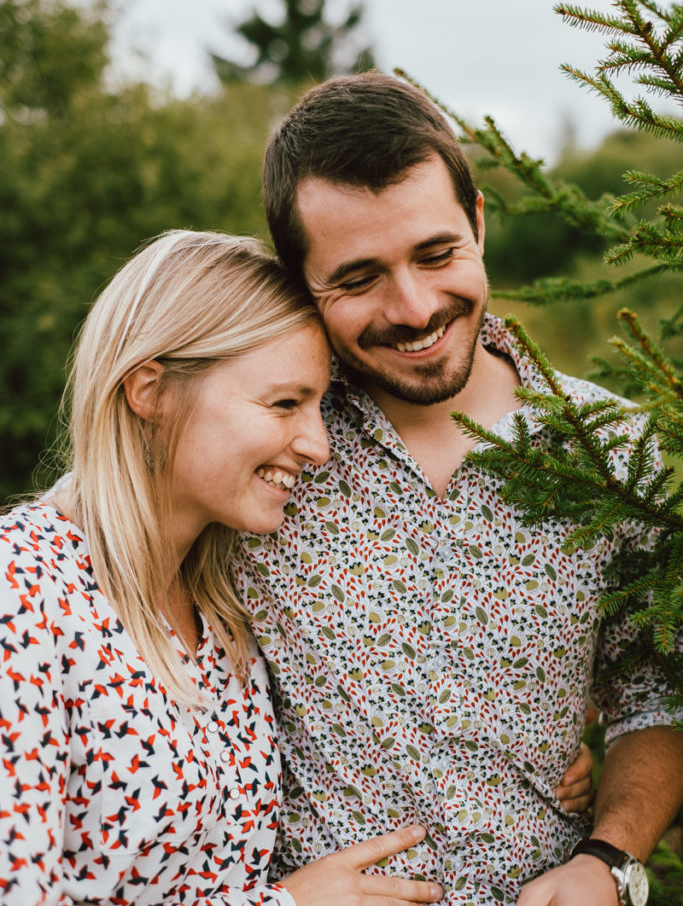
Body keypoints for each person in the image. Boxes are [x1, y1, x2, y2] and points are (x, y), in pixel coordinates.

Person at [230, 73, 683, 906]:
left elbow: (653, 692)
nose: (413, 307)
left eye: (436, 254)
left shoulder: (611, 450)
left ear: (477, 222)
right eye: (358, 277)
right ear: (300, 281)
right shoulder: (258, 449)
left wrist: (610, 861)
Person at [0, 229, 450, 906]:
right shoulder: (23, 590)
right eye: (282, 403)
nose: (318, 446)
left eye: (318, 407)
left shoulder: (229, 607)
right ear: (149, 390)